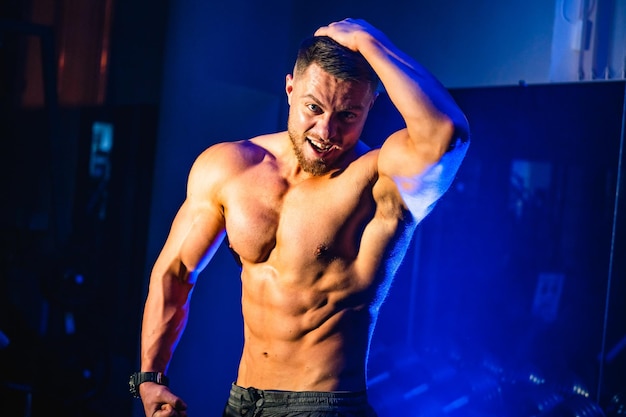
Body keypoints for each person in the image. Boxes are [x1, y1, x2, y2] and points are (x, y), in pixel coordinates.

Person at [133, 17, 470, 417]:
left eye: (348, 115)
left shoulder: (381, 181)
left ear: (369, 107)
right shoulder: (229, 167)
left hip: (324, 406)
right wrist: (149, 378)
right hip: (242, 402)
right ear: (290, 88)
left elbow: (447, 133)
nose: (326, 130)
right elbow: (175, 271)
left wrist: (369, 41)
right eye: (314, 107)